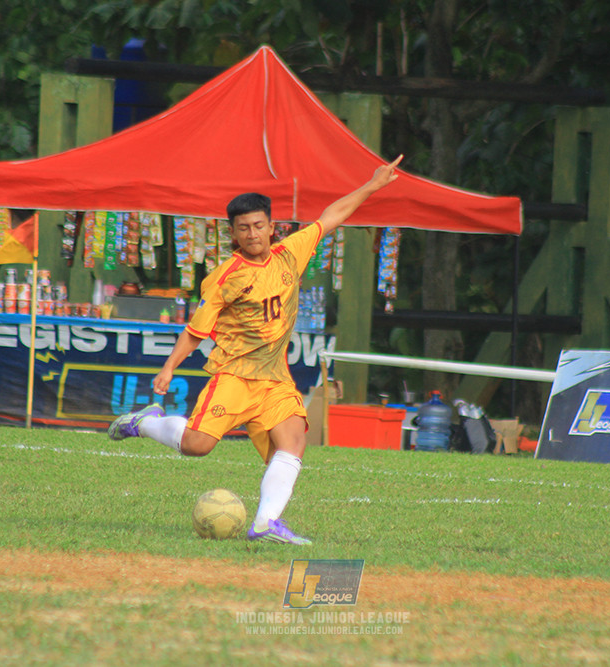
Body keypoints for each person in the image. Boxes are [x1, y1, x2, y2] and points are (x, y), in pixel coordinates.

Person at [108, 155, 403, 545]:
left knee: (293, 441)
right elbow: (196, 331)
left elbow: (331, 217)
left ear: (272, 226)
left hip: (275, 379)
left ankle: (265, 523)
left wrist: (372, 185)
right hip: (235, 376)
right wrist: (168, 368)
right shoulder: (225, 277)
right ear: (232, 232)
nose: (252, 234)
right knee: (197, 446)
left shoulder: (290, 253)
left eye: (259, 225)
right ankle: (146, 422)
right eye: (243, 228)